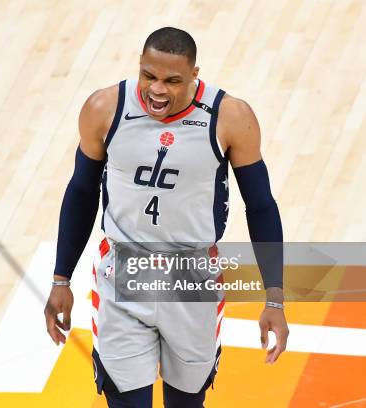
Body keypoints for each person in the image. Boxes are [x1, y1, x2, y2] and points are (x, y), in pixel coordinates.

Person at [44, 27, 289, 407]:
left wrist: (274, 299)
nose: (157, 90)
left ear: (194, 75)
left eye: (172, 81)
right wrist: (61, 278)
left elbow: (260, 207)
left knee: (187, 403)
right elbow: (80, 192)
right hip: (123, 277)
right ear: (139, 67)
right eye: (149, 76)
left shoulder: (230, 116)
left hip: (192, 281)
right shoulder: (104, 108)